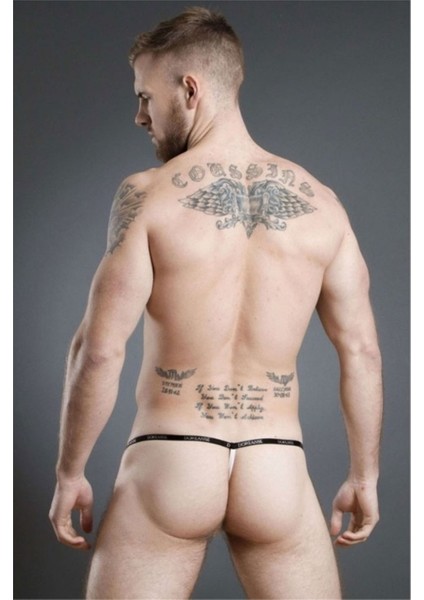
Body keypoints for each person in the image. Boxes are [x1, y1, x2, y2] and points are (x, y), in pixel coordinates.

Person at [49, 6, 383, 599]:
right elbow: (361, 351)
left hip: (170, 459)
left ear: (190, 89)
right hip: (276, 464)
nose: (140, 115)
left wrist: (70, 472)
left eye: (146, 97)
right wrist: (365, 476)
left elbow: (98, 350)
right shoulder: (323, 205)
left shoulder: (146, 195)